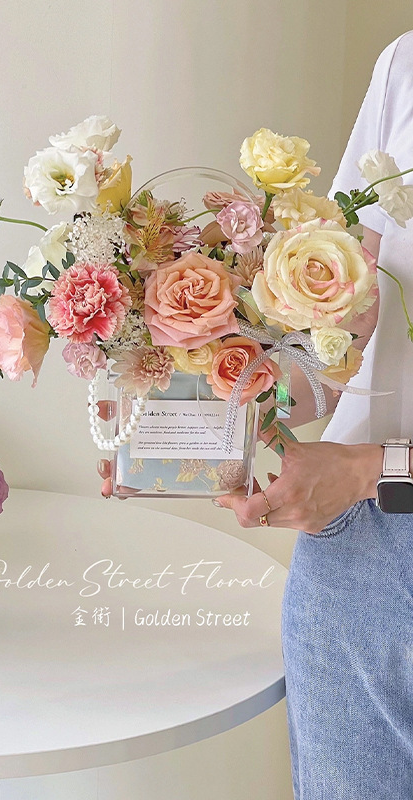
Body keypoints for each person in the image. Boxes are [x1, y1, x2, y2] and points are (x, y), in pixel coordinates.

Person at [217, 31, 413, 800]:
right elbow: (347, 318)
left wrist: (370, 470)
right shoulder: (407, 64)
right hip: (357, 559)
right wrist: (232, 405)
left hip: (363, 487)